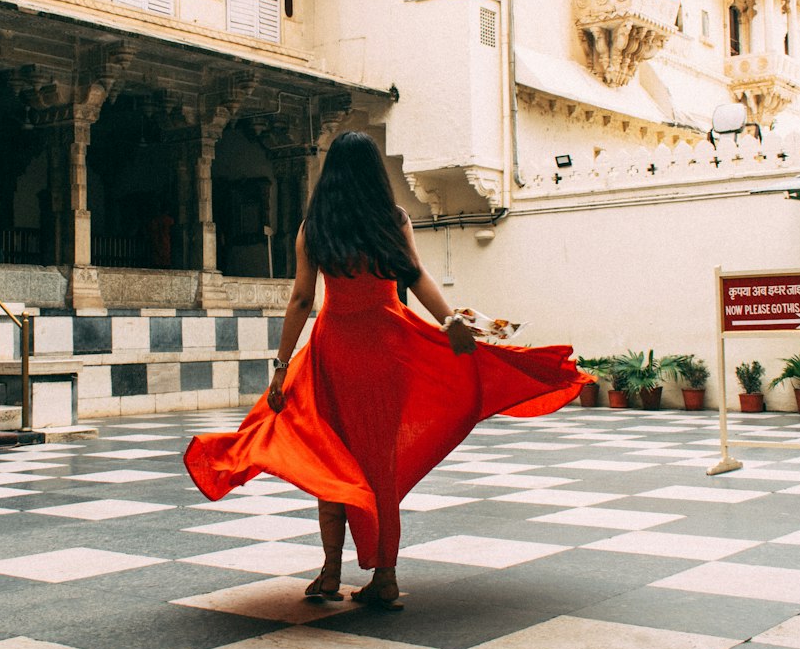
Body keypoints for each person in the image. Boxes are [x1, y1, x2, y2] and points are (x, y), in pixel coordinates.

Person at [184, 131, 586, 610]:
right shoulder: (392, 220)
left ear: (330, 174)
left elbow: (301, 300)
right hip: (388, 349)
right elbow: (414, 275)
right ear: (375, 174)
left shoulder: (316, 227)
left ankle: (330, 572)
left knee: (327, 459)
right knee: (380, 466)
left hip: (334, 351)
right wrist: (450, 321)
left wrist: (279, 367)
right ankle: (386, 576)